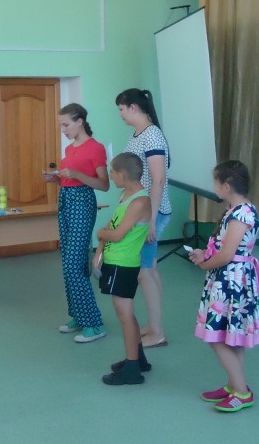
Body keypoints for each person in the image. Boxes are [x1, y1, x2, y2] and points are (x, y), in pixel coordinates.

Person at [187, 161, 259, 413]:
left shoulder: (241, 214)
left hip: (231, 280)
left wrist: (205, 264)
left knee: (216, 335)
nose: (214, 187)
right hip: (229, 278)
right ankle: (234, 384)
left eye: (216, 183)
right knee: (232, 336)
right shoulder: (236, 211)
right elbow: (223, 247)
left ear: (227, 186)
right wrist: (204, 253)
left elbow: (228, 254)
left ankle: (242, 392)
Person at [43, 104, 110, 343]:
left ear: (80, 122)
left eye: (66, 124)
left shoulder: (96, 148)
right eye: (61, 125)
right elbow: (69, 181)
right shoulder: (69, 148)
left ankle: (94, 323)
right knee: (71, 262)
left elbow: (104, 184)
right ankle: (79, 315)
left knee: (73, 264)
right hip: (66, 201)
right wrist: (56, 180)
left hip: (82, 203)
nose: (63, 129)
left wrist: (77, 175)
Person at [115, 88, 171, 348]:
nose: (121, 114)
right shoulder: (138, 134)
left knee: (144, 272)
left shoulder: (152, 136)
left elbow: (158, 180)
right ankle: (154, 324)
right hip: (141, 211)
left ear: (133, 107)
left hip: (150, 214)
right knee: (150, 269)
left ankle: (157, 332)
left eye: (121, 109)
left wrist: (151, 220)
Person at [94, 153, 151, 385]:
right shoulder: (126, 195)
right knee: (125, 313)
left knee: (124, 314)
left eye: (112, 172)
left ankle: (131, 368)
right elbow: (113, 223)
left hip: (124, 264)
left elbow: (116, 234)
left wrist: (100, 234)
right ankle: (138, 359)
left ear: (122, 174)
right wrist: (99, 250)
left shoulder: (140, 202)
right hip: (114, 260)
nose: (110, 175)